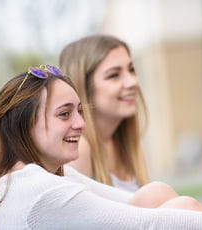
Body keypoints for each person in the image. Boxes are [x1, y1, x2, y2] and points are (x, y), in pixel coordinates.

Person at [0, 65, 202, 229]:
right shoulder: (38, 190)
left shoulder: (36, 177)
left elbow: (127, 203)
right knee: (183, 209)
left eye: (79, 111)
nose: (80, 124)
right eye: (65, 114)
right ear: (23, 124)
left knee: (159, 195)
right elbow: (149, 225)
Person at [59, 35, 149, 192]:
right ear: (84, 88)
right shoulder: (79, 149)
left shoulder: (132, 146)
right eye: (114, 75)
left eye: (132, 70)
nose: (132, 82)